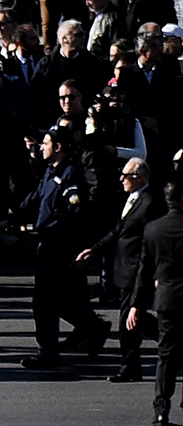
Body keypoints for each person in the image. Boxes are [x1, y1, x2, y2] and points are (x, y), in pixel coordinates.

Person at [21, 128, 110, 368]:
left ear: (58, 147)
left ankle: (48, 353)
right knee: (60, 300)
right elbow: (36, 198)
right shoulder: (51, 172)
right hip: (48, 245)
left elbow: (76, 214)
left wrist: (71, 247)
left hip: (59, 248)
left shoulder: (70, 175)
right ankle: (93, 328)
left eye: (46, 143)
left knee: (44, 302)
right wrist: (8, 220)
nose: (41, 147)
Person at [80, 157, 165, 382]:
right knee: (136, 318)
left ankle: (130, 367)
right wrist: (94, 250)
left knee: (127, 321)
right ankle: (173, 341)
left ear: (140, 178)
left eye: (126, 176)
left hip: (137, 270)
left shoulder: (149, 203)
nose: (121, 179)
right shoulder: (131, 199)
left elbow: (152, 241)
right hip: (124, 269)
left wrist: (155, 272)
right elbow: (118, 231)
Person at [129, 183, 183, 426]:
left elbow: (144, 271)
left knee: (166, 355)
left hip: (167, 298)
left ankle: (161, 407)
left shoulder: (153, 229)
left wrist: (136, 305)